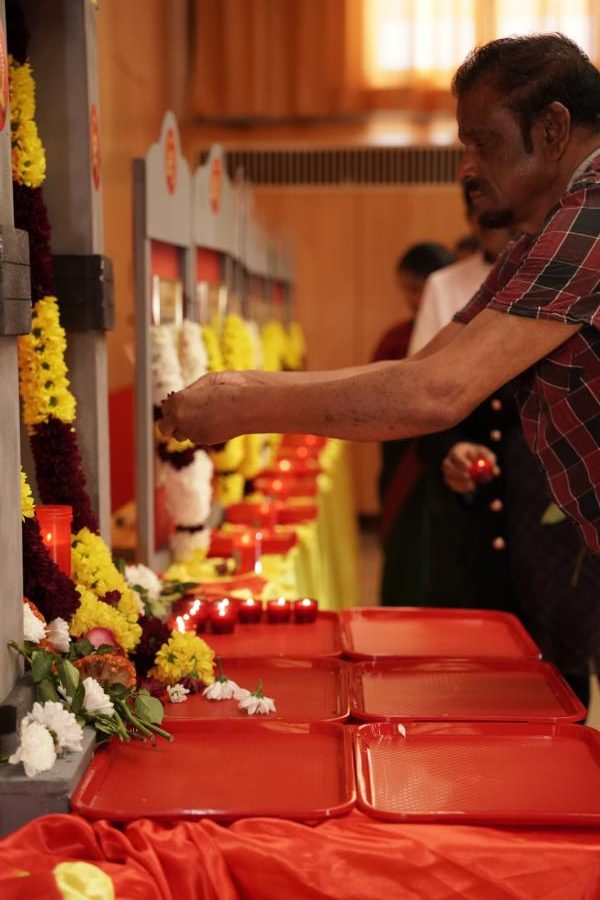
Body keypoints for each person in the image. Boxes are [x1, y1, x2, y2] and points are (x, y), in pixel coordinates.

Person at [161, 34, 600, 561]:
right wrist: (242, 386)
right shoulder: (537, 236)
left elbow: (438, 393)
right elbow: (424, 367)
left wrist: (245, 406)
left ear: (551, 129)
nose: (466, 169)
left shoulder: (592, 213)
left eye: (482, 143)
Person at [371, 243, 455, 602]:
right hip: (402, 451)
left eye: (416, 289)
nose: (411, 299)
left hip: (440, 454)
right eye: (406, 289)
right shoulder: (396, 339)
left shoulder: (458, 337)